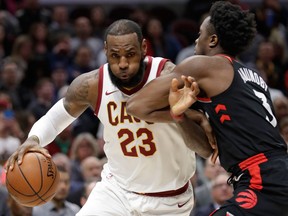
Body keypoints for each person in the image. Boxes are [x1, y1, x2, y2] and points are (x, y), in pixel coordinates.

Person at [6, 19, 214, 216]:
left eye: (130, 54)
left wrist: (183, 115)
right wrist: (33, 140)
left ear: (143, 47)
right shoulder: (93, 84)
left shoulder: (168, 77)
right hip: (116, 191)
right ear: (105, 50)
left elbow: (204, 148)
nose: (123, 63)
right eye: (115, 55)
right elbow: (54, 119)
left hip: (168, 199)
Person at [126, 1, 288, 216]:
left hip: (263, 179)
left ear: (212, 40)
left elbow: (136, 105)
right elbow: (209, 151)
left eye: (200, 33)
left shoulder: (204, 66)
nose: (195, 39)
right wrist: (179, 114)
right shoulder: (251, 77)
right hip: (270, 174)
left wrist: (193, 113)